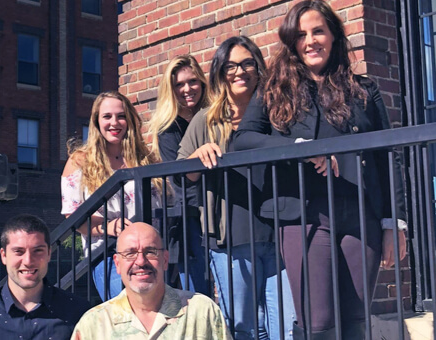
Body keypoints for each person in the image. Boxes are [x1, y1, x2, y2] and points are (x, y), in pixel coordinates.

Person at [231, 1, 408, 338]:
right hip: (305, 216)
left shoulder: (364, 89)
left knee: (356, 319)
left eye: (318, 31)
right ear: (291, 42)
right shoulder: (274, 90)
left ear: (333, 36)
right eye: (301, 35)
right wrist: (297, 150)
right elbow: (244, 139)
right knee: (318, 322)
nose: (310, 41)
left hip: (361, 214)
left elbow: (387, 155)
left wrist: (393, 223)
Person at [177, 36, 295, 340]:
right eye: (230, 66)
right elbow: (178, 175)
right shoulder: (206, 119)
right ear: (219, 73)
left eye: (247, 64)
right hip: (231, 240)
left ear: (258, 68)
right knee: (241, 327)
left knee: (286, 328)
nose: (239, 72)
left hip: (282, 235)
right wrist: (196, 157)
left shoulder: (278, 113)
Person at [61, 91, 162, 301]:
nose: (114, 122)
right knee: (127, 312)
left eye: (121, 116)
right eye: (107, 116)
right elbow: (72, 217)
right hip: (108, 253)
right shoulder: (80, 161)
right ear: (97, 122)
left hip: (151, 253)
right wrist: (108, 226)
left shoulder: (146, 158)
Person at [71, 222, 231, 340]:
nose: (140, 261)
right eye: (130, 253)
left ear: (165, 259)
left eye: (150, 252)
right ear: (117, 264)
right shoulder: (94, 325)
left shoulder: (202, 311)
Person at [0, 214, 91, 340]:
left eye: (37, 251)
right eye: (19, 251)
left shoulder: (78, 313)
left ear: (49, 254)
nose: (28, 261)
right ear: (3, 255)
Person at [146, 54, 211, 296]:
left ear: (202, 83)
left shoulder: (214, 116)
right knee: (198, 293)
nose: (187, 89)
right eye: (179, 84)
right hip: (190, 216)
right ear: (170, 90)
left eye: (192, 81)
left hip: (222, 209)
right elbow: (179, 177)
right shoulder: (168, 128)